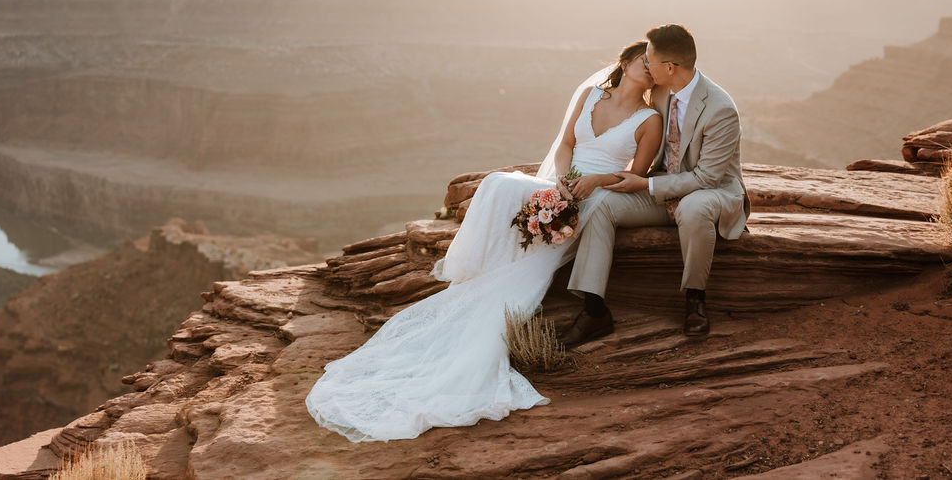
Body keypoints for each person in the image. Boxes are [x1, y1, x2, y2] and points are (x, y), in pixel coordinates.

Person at [305, 41, 662, 442]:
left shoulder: (649, 119)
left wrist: (590, 185)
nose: (648, 67)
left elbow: (635, 176)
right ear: (627, 60)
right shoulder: (591, 94)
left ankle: (507, 287)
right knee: (498, 184)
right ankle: (479, 270)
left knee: (540, 242)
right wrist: (558, 182)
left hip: (596, 195)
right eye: (642, 60)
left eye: (654, 64)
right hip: (561, 182)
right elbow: (565, 145)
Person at [559, 24, 750, 348]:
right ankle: (593, 309)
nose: (645, 64)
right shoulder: (662, 92)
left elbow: (707, 178)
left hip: (710, 191)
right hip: (663, 184)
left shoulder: (721, 109)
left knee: (694, 207)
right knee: (603, 204)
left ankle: (695, 300)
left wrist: (645, 186)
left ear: (669, 67)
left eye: (649, 59)